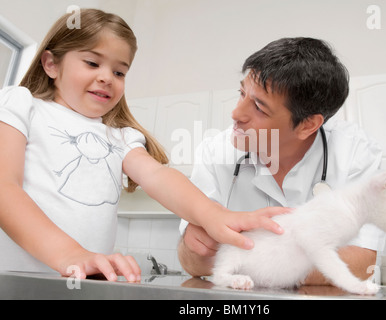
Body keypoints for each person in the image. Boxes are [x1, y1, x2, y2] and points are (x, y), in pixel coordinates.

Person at [0, 9, 287, 282]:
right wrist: (70, 254)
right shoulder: (21, 104)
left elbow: (158, 176)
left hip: (83, 287)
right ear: (51, 64)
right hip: (14, 281)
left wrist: (214, 215)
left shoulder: (120, 137)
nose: (106, 78)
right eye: (92, 63)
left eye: (119, 72)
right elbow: (5, 187)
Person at [178, 37, 386, 285]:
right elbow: (192, 260)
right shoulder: (214, 152)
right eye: (241, 93)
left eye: (259, 107)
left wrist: (247, 258)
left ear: (308, 124)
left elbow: (361, 264)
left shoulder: (356, 154)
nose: (235, 114)